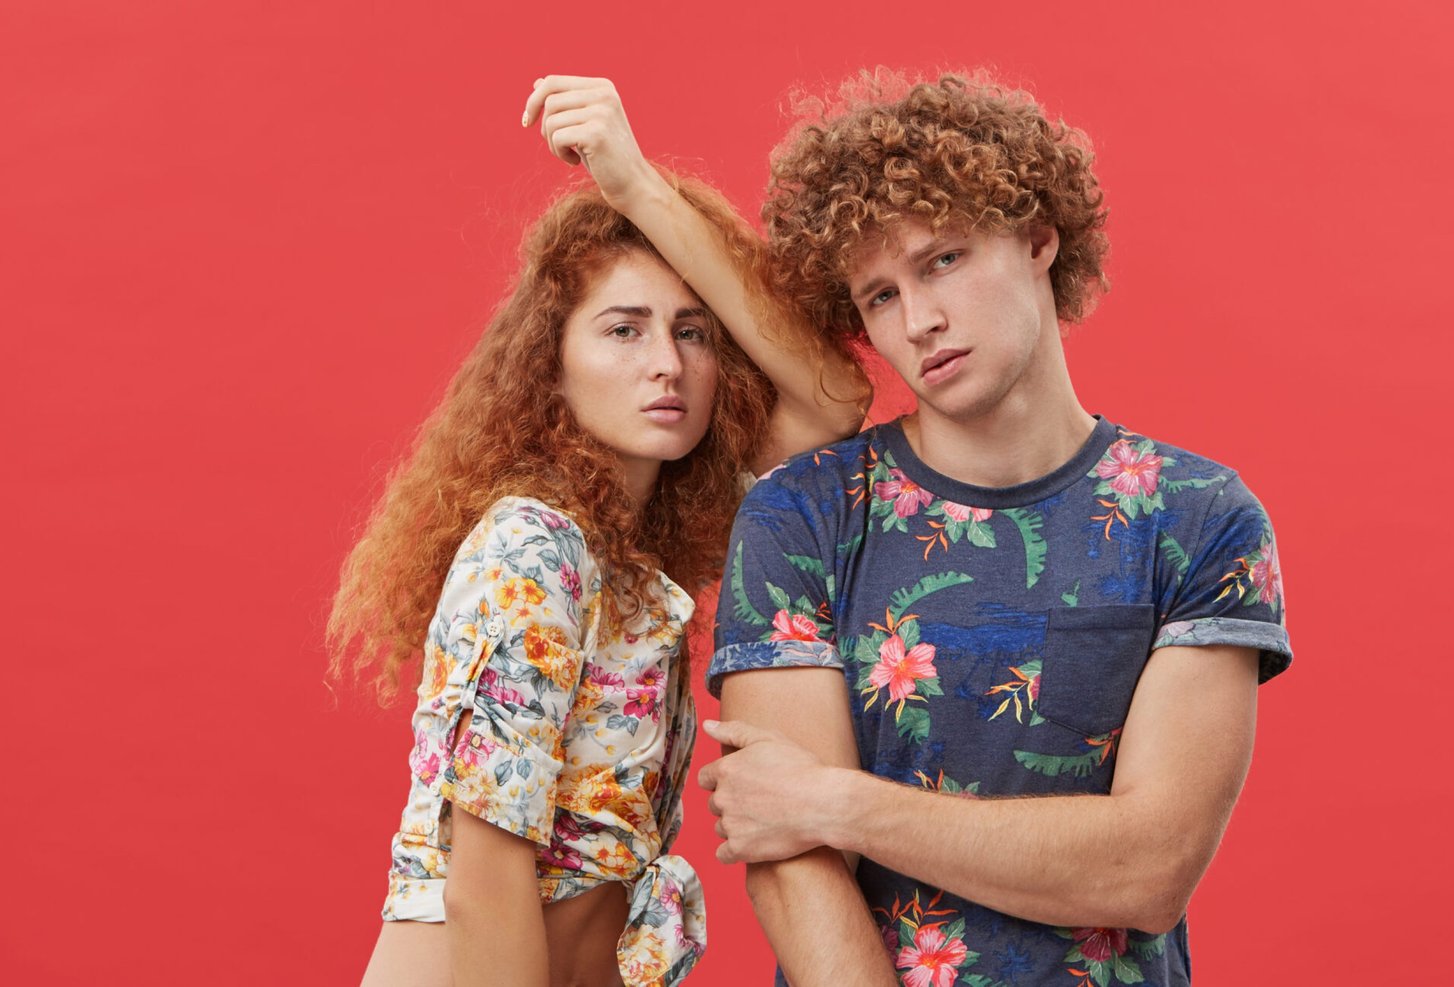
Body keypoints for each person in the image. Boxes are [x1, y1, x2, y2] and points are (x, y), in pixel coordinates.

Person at [698, 71, 1293, 987]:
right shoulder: (802, 513)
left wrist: (837, 803)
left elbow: (1148, 867)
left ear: (1038, 238)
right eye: (879, 297)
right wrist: (809, 817)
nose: (921, 320)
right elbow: (790, 860)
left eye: (943, 260)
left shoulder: (1197, 517)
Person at [327, 76, 867, 987]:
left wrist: (640, 189)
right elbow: (486, 873)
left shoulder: (630, 556)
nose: (666, 363)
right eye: (624, 330)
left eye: (693, 333)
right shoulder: (533, 549)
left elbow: (830, 401)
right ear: (553, 364)